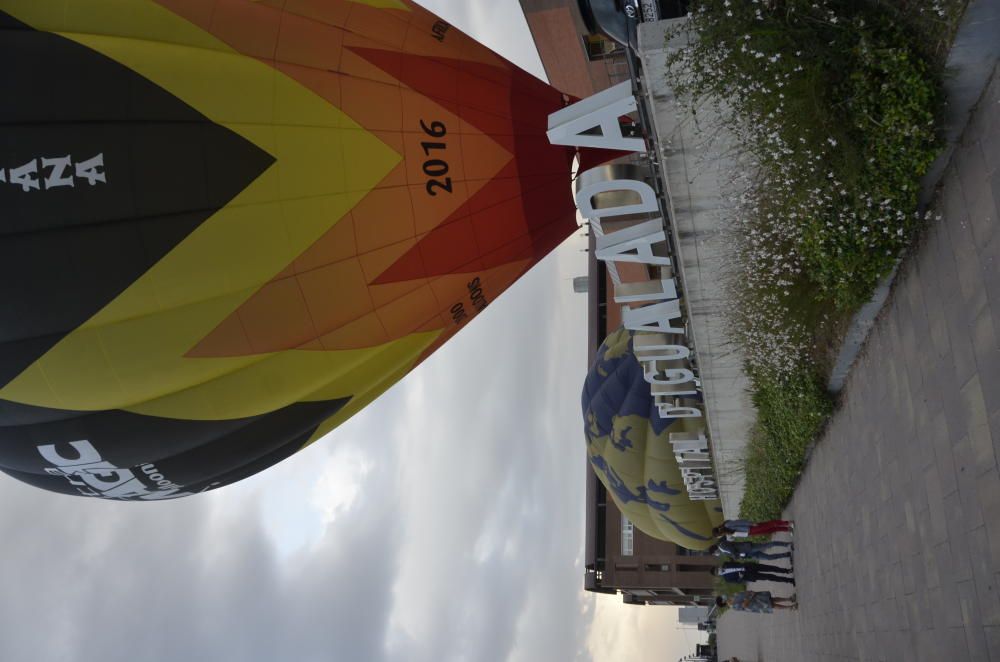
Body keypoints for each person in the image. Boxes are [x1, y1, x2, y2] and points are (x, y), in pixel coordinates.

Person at [712, 561, 794, 585]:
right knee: (769, 577)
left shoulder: (725, 564)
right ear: (718, 575)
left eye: (717, 568)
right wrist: (740, 577)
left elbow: (736, 561)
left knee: (770, 568)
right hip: (750, 575)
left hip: (750, 566)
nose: (718, 570)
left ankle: (787, 571)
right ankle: (789, 580)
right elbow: (738, 582)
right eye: (717, 572)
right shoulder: (727, 579)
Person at [710, 538, 792, 562]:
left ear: (715, 551)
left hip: (748, 548)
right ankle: (786, 555)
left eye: (714, 554)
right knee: (768, 558)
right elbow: (733, 553)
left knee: (767, 545)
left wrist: (735, 557)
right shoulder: (723, 552)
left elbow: (732, 549)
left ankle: (787, 544)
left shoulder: (722, 545)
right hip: (748, 554)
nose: (716, 555)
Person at [715, 592, 797, 613]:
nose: (723, 595)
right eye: (721, 597)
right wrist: (750, 596)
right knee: (772, 605)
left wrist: (749, 592)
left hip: (755, 596)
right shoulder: (733, 606)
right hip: (755, 603)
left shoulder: (731, 597)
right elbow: (744, 605)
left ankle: (789, 599)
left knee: (772, 599)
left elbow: (741, 594)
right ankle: (790, 607)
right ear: (723, 601)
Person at [713, 518, 793, 538]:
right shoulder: (727, 532)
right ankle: (787, 529)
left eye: (718, 536)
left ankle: (787, 523)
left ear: (719, 533)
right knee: (769, 530)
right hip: (749, 533)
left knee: (770, 524)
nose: (720, 536)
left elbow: (740, 522)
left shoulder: (727, 525)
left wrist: (751, 523)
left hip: (750, 528)